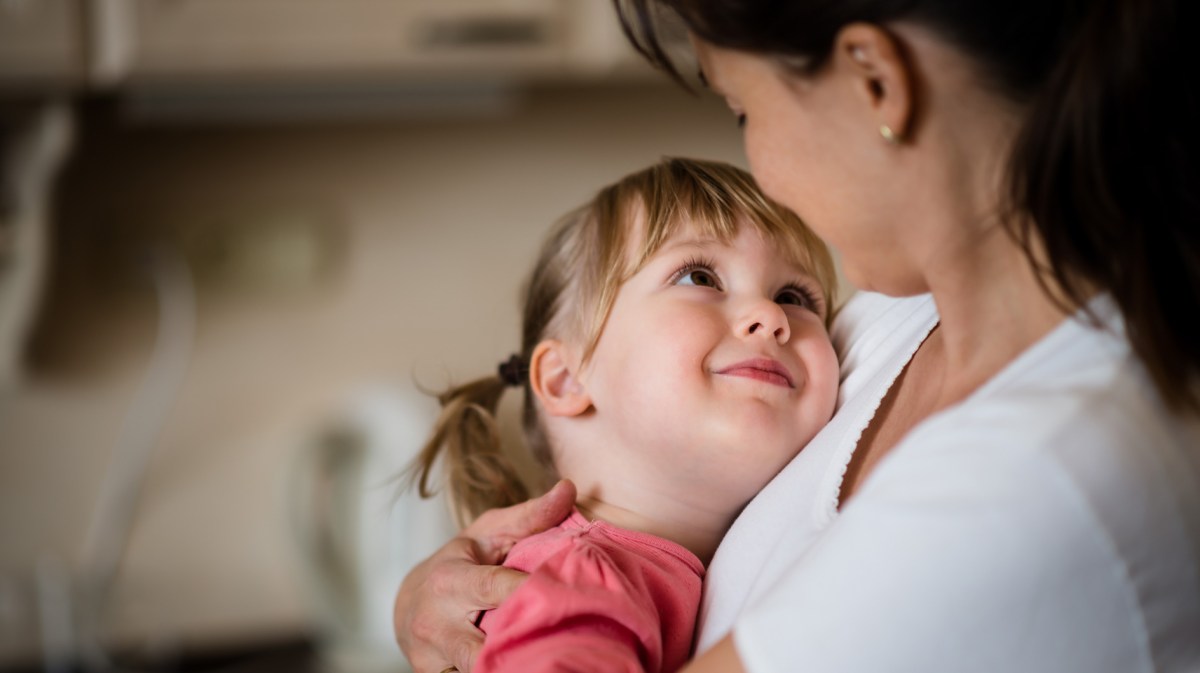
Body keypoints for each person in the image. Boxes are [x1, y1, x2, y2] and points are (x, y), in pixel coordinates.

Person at [394, 1, 1200, 671]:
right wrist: (435, 604)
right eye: (700, 277)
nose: (772, 318)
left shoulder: (1035, 472)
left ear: (875, 82)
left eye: (743, 109)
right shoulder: (889, 319)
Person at [406, 157, 841, 673]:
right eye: (699, 275)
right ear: (567, 379)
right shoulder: (586, 577)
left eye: (794, 296)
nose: (770, 317)